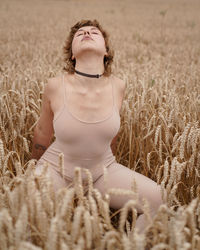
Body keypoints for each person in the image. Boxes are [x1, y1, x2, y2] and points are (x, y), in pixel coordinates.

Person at [31, 19, 165, 233]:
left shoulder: (118, 86)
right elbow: (42, 132)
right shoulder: (55, 86)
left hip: (102, 173)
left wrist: (104, 169)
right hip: (56, 171)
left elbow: (110, 136)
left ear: (105, 51)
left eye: (94, 32)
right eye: (79, 33)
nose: (86, 33)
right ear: (72, 54)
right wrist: (33, 171)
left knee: (161, 200)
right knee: (32, 212)